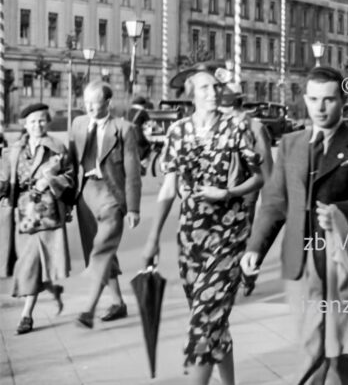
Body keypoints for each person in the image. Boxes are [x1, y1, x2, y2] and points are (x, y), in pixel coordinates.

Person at [240, 66, 348, 385]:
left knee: (316, 344)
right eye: (313, 99)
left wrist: (343, 213)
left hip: (340, 262)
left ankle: (343, 375)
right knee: (323, 343)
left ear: (342, 102)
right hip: (300, 263)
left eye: (328, 100)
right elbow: (274, 201)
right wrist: (255, 248)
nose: (320, 107)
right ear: (305, 100)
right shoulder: (290, 144)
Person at [142, 65, 264, 385]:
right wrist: (153, 239)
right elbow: (169, 189)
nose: (214, 93)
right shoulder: (177, 131)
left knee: (203, 319)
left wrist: (227, 192)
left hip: (229, 232)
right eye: (205, 88)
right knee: (213, 319)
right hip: (191, 236)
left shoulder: (236, 127)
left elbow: (259, 177)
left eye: (215, 87)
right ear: (191, 96)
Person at [69, 81, 142, 328]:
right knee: (100, 250)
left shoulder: (124, 129)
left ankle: (88, 310)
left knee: (101, 250)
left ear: (108, 103)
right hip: (86, 193)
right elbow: (70, 162)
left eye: (95, 102)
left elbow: (133, 172)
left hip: (112, 194)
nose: (89, 107)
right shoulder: (78, 124)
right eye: (86, 102)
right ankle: (118, 303)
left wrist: (132, 208)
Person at [0, 104, 74, 335]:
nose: (37, 125)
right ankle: (49, 293)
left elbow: (70, 177)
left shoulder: (57, 147)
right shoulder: (14, 150)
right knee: (28, 260)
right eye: (32, 121)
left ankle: (26, 315)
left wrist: (49, 180)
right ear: (25, 125)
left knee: (31, 260)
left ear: (47, 122)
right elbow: (4, 178)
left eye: (41, 120)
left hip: (45, 211)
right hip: (21, 213)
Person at [219, 82, 273, 296]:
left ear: (235, 105)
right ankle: (227, 276)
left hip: (247, 187)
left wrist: (271, 199)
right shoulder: (217, 126)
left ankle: (246, 273)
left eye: (224, 108)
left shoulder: (254, 127)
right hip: (222, 189)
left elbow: (266, 165)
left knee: (243, 234)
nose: (220, 113)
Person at [127, 95, 152, 175]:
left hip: (128, 134)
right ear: (143, 104)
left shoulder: (129, 111)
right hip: (138, 135)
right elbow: (150, 124)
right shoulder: (143, 112)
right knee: (147, 147)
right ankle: (141, 168)